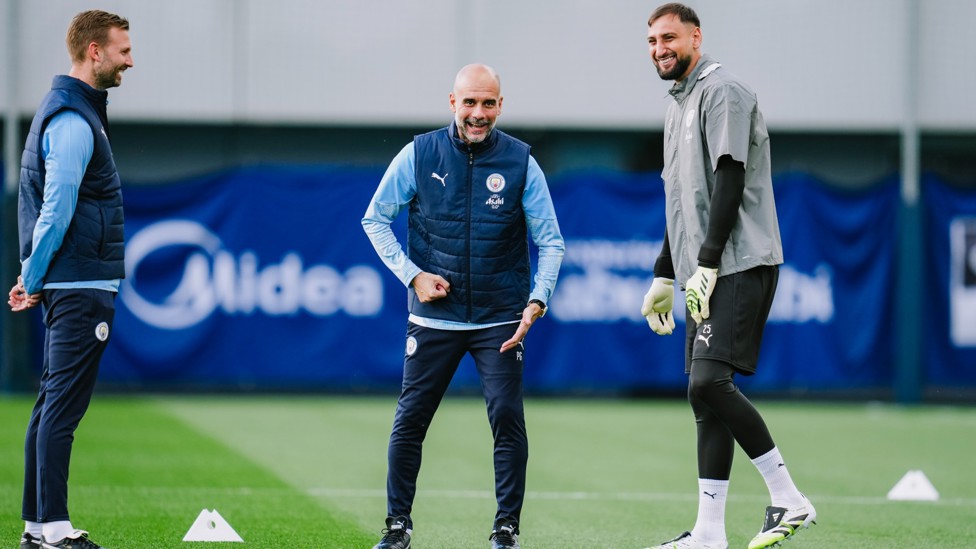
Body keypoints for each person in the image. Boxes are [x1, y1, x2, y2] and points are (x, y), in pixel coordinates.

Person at [362, 63, 564, 549]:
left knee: (506, 419)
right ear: (452, 102)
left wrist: (537, 300)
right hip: (433, 318)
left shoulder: (521, 162)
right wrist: (413, 275)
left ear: (500, 106)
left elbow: (551, 243)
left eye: (488, 103)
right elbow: (375, 219)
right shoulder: (419, 153)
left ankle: (506, 528)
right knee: (411, 420)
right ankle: (397, 527)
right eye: (469, 102)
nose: (478, 113)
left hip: (500, 319)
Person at [639, 4, 816, 549]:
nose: (659, 48)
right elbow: (681, 199)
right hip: (700, 273)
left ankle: (789, 498)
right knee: (703, 397)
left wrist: (709, 263)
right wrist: (665, 275)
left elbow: (730, 176)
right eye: (650, 40)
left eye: (669, 37)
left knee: (708, 382)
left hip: (737, 263)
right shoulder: (677, 104)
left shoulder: (724, 91)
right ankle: (709, 533)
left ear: (696, 37)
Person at [7, 9, 133, 549]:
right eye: (123, 49)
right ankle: (56, 531)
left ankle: (37, 528)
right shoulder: (74, 120)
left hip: (71, 282)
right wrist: (31, 275)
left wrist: (33, 274)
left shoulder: (75, 112)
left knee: (49, 404)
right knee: (61, 408)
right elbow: (56, 209)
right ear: (93, 52)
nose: (132, 58)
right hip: (79, 284)